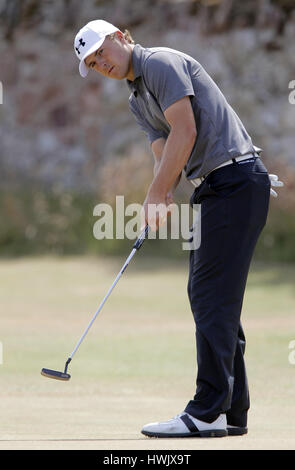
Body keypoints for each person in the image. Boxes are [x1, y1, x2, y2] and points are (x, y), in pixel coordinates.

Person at [74, 20, 283, 438]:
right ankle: (230, 410)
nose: (101, 64)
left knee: (209, 295)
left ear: (121, 37)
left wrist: (156, 193)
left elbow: (185, 131)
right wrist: (162, 193)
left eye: (102, 52)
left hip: (235, 181)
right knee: (213, 297)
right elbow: (163, 150)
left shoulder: (161, 63)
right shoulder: (137, 99)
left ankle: (206, 410)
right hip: (214, 188)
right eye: (93, 63)